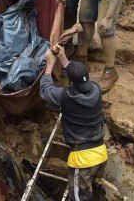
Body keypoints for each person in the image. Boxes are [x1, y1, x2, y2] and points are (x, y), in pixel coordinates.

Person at [40, 45, 107, 201]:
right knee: (94, 193)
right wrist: (63, 58)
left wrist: (50, 64)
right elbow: (77, 78)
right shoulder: (96, 90)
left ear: (70, 84)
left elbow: (45, 90)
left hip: (83, 161)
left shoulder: (67, 98)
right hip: (100, 154)